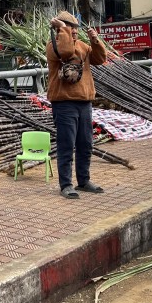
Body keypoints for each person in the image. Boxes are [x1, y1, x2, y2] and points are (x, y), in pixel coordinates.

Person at [46, 11, 108, 199]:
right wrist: (62, 30)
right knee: (66, 145)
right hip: (64, 103)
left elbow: (100, 59)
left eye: (74, 27)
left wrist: (95, 40)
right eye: (70, 27)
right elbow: (65, 51)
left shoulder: (82, 46)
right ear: (61, 27)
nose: (74, 31)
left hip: (84, 102)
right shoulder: (53, 45)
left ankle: (84, 180)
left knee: (85, 144)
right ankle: (66, 184)